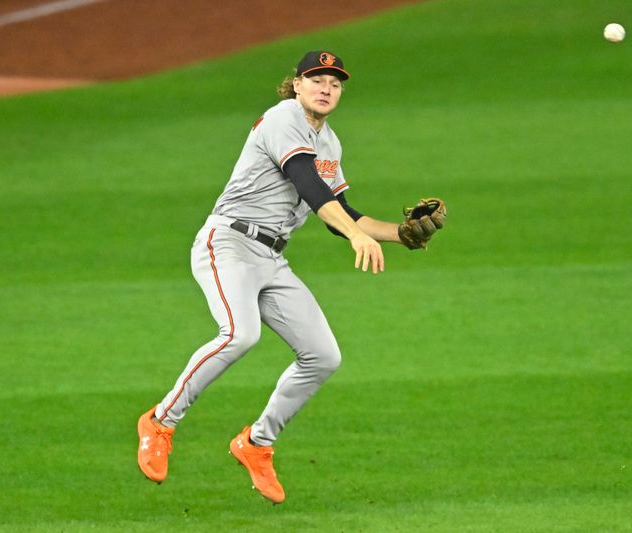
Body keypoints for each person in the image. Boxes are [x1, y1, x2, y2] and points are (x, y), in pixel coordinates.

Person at [137, 50, 445, 504]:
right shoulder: (282, 119)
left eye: (335, 83)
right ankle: (161, 421)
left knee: (323, 356)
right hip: (228, 243)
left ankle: (256, 444)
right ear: (296, 85)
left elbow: (341, 212)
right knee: (240, 335)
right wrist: (357, 238)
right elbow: (308, 186)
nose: (326, 88)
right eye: (316, 79)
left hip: (271, 258)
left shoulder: (330, 143)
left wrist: (398, 234)